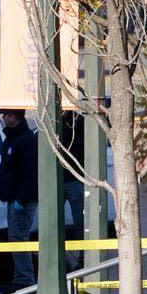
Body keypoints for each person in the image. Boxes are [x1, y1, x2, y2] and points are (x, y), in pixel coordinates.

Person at [0, 108, 38, 293]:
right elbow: (6, 170)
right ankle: (20, 277)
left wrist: (22, 198)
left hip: (23, 200)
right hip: (14, 198)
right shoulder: (12, 139)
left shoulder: (25, 140)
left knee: (18, 238)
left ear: (15, 117)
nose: (4, 118)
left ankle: (25, 279)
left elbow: (30, 173)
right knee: (16, 238)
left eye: (7, 115)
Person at [59, 110, 85, 270]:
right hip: (58, 179)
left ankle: (83, 258)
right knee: (53, 223)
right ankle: (58, 258)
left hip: (76, 179)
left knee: (81, 223)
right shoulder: (53, 120)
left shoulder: (79, 122)